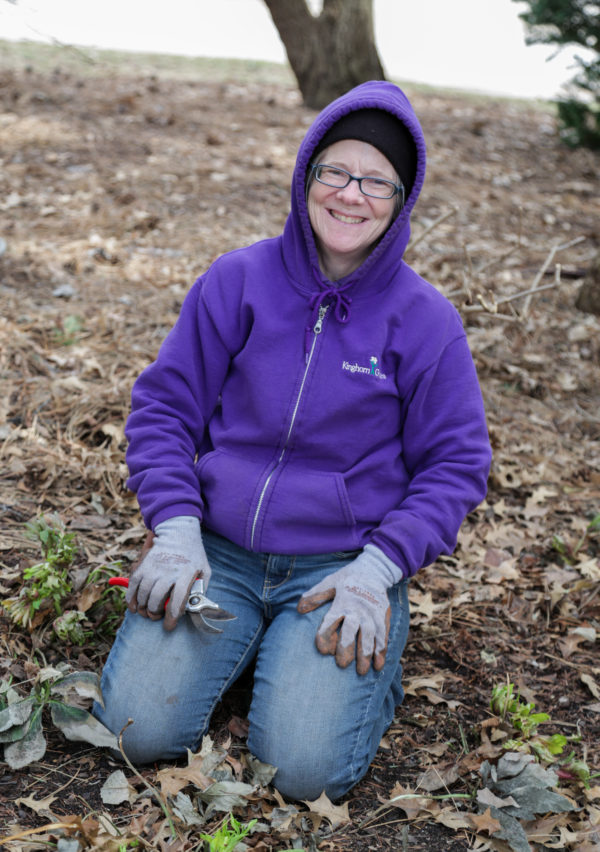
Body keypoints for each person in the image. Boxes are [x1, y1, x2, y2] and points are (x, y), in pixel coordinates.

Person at [94, 80, 492, 802]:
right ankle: (247, 641)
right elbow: (164, 407)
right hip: (218, 553)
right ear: (306, 175)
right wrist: (177, 530)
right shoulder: (238, 280)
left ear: (402, 200)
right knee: (132, 733)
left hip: (338, 569)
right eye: (335, 171)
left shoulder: (425, 322)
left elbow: (456, 465)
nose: (351, 194)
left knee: (303, 774)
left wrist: (380, 570)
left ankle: (358, 651)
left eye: (377, 181)